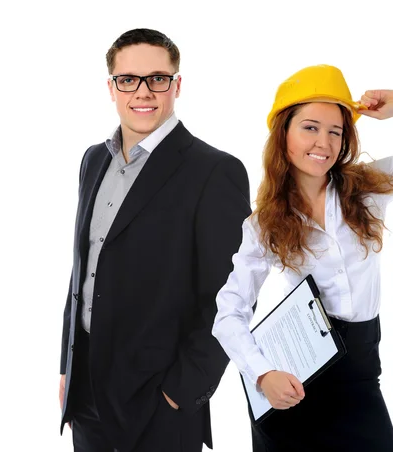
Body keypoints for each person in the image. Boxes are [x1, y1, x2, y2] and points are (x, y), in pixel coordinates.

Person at [212, 64, 393, 451]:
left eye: (336, 131)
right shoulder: (264, 223)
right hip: (294, 380)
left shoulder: (370, 188)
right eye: (310, 127)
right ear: (283, 134)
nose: (324, 142)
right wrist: (263, 374)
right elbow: (228, 311)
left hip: (359, 373)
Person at [58, 28, 251, 452]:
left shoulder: (214, 171)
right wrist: (67, 367)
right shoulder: (93, 159)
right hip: (86, 390)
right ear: (111, 88)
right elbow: (83, 268)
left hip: (160, 402)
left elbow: (230, 296)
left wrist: (181, 393)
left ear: (176, 84)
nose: (142, 92)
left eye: (157, 78)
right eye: (128, 79)